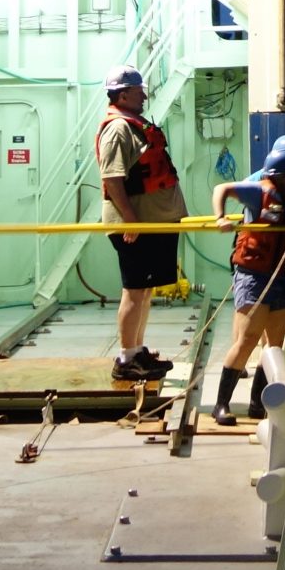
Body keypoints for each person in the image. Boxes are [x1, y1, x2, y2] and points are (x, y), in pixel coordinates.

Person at [208, 134, 285, 421]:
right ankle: (221, 404)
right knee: (249, 338)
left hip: (280, 277)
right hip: (253, 276)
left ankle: (257, 404)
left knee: (274, 344)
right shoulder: (258, 193)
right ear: (283, 177)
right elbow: (222, 188)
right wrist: (220, 218)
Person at [96, 65, 186, 380]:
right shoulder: (118, 129)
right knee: (134, 291)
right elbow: (112, 177)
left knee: (145, 290)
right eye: (138, 91)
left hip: (152, 223)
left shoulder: (134, 126)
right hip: (137, 226)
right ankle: (125, 360)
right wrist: (130, 219)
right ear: (123, 94)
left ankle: (137, 351)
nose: (144, 95)